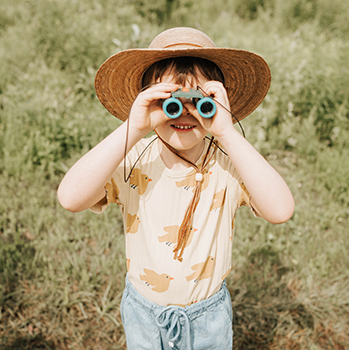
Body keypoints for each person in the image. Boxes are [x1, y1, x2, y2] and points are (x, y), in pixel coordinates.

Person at [57, 27, 294, 350]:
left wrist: (227, 133)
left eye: (199, 101)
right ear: (148, 100)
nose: (184, 111)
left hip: (208, 317)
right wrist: (134, 127)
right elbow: (70, 198)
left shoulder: (229, 165)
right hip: (145, 314)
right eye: (169, 100)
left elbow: (281, 211)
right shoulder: (133, 162)